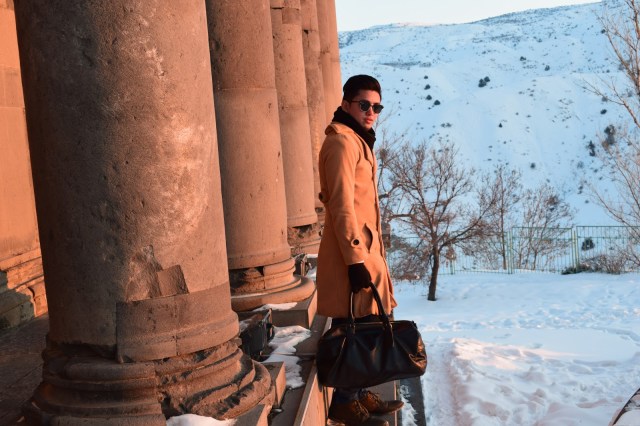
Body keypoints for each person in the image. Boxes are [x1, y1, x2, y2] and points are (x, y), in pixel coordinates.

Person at [316, 75, 403, 426]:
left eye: (376, 107)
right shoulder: (341, 142)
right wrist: (355, 260)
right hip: (352, 251)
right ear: (346, 104)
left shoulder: (357, 140)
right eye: (364, 104)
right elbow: (341, 205)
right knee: (354, 324)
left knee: (367, 321)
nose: (371, 112)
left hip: (365, 247)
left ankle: (358, 391)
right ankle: (344, 401)